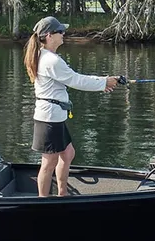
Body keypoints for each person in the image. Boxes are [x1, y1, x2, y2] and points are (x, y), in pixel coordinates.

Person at [24, 16, 119, 198]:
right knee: (49, 162)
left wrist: (104, 82)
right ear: (49, 35)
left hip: (55, 116)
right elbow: (76, 80)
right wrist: (104, 82)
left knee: (67, 153)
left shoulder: (46, 57)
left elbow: (74, 78)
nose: (63, 34)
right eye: (60, 32)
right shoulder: (51, 60)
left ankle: (62, 194)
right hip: (49, 118)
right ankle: (43, 201)